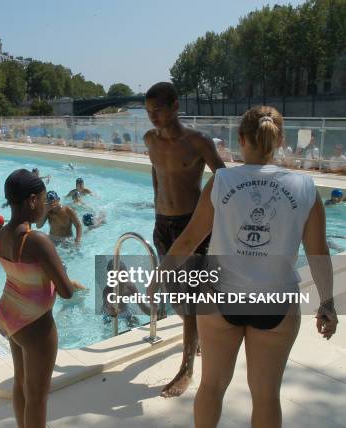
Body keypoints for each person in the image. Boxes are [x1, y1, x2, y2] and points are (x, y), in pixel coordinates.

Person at [150, 106, 337, 427]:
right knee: (266, 396)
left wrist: (157, 281)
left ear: (240, 139)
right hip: (276, 303)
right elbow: (318, 254)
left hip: (220, 300)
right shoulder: (306, 188)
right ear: (279, 141)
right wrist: (327, 304)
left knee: (211, 387)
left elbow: (186, 242)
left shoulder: (222, 182)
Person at [144, 81, 225, 397]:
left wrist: (214, 218)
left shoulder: (198, 142)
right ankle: (201, 336)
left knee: (189, 298)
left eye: (159, 111)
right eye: (149, 112)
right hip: (162, 224)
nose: (153, 118)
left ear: (176, 106)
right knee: (176, 295)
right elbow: (156, 172)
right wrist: (156, 203)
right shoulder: (150, 139)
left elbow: (224, 177)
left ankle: (188, 368)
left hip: (191, 225)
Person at [0, 169, 82, 428]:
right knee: (37, 398)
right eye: (42, 200)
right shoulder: (38, 241)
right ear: (32, 201)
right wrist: (61, 272)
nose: (45, 206)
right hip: (35, 323)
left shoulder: (2, 234)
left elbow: (21, 273)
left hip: (9, 312)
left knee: (20, 383)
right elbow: (66, 291)